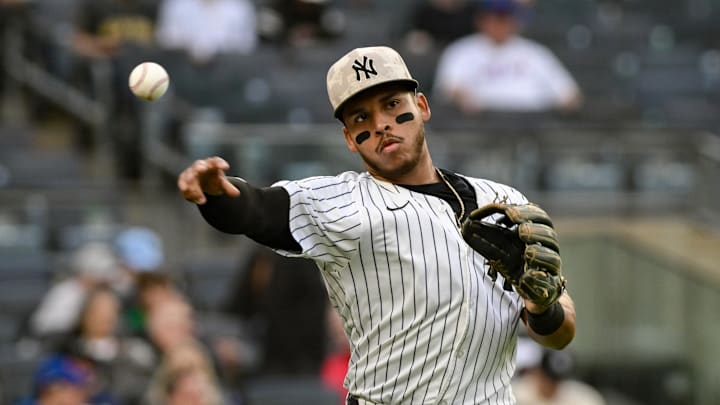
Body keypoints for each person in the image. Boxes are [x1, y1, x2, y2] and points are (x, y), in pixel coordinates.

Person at [177, 45, 576, 403]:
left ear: (421, 106)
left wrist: (542, 304)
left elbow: (560, 333)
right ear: (350, 138)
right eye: (361, 117)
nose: (382, 123)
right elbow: (260, 209)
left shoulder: (504, 202)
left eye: (391, 104)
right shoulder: (344, 204)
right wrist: (215, 194)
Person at [433, 0, 582, 114]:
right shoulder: (461, 51)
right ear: (481, 20)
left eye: (505, 18)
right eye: (496, 18)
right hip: (480, 126)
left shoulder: (535, 52)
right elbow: (447, 88)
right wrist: (461, 97)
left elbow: (569, 94)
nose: (501, 24)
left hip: (532, 124)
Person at [155, 0, 258, 65]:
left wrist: (215, 53)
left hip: (227, 73)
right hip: (183, 69)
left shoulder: (240, 7)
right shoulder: (176, 4)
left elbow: (248, 45)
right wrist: (193, 49)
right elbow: (165, 39)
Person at [513, 345, 606, 405]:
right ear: (538, 372)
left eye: (558, 379)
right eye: (549, 378)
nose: (553, 384)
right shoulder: (516, 394)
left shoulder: (584, 397)